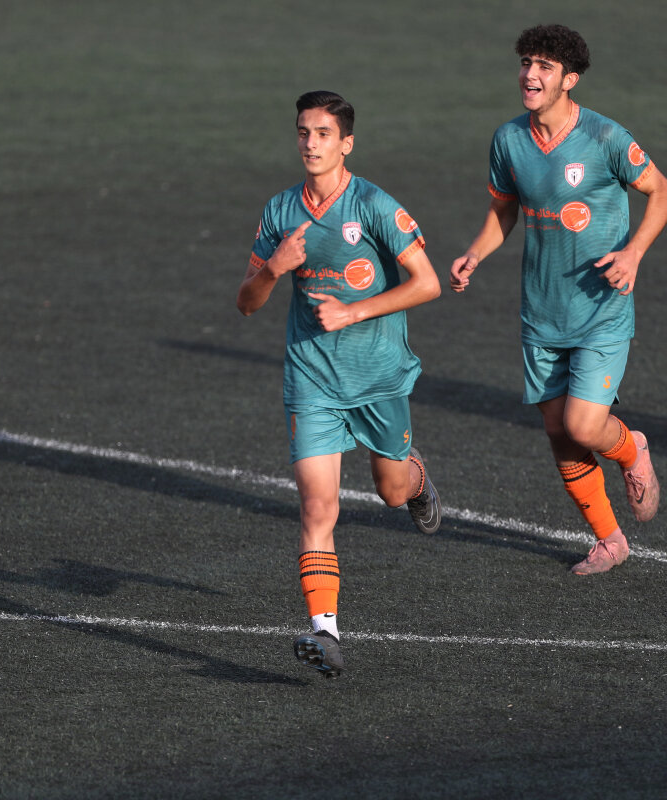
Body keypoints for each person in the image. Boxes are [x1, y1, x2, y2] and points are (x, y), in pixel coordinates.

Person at [451, 24, 667, 575]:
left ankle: (632, 448)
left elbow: (663, 192)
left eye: (544, 67)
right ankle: (609, 541)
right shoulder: (508, 140)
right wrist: (475, 254)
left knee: (583, 425)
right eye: (527, 63)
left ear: (569, 80)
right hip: (541, 311)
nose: (530, 75)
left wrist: (633, 254)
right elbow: (504, 209)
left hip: (601, 308)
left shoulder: (605, 137)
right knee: (558, 431)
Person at [237, 91, 443, 678]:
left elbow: (427, 283)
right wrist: (273, 269)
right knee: (317, 506)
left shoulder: (374, 205)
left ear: (346, 143)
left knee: (391, 492)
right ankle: (325, 633)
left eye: (323, 134)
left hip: (377, 375)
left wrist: (354, 311)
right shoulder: (280, 211)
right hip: (311, 378)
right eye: (304, 132)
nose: (311, 143)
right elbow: (246, 303)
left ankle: (417, 478)